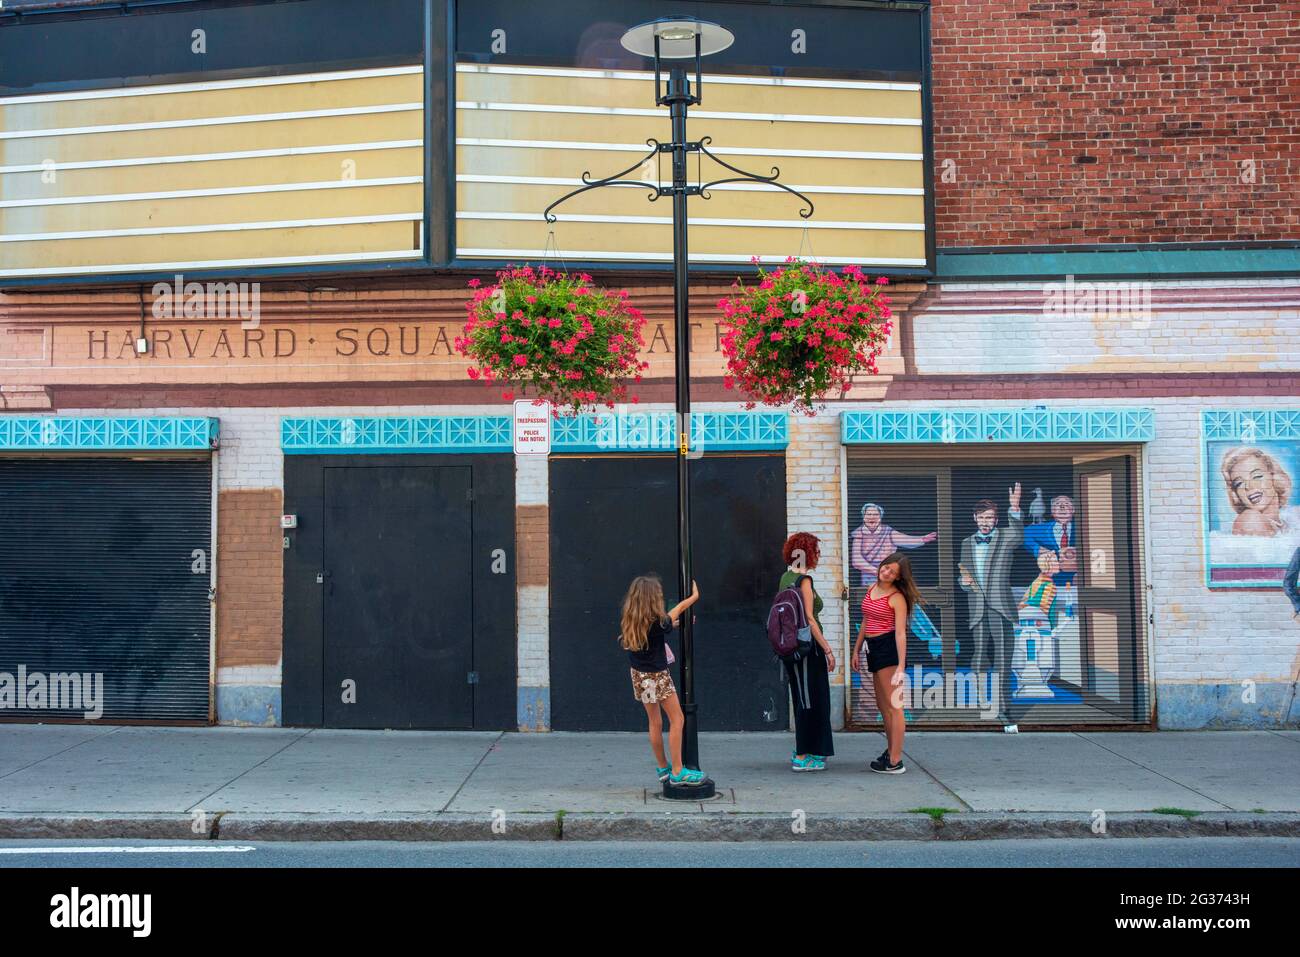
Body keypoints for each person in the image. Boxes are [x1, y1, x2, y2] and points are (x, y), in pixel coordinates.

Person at [619, 574, 705, 787]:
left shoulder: (631, 620)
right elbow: (672, 614)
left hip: (641, 677)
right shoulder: (659, 622)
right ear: (651, 599)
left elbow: (661, 627)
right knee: (678, 720)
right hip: (658, 677)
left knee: (655, 722)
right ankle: (678, 771)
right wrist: (694, 597)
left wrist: (673, 624)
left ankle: (663, 767)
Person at [958, 483, 1024, 727]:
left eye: (990, 518)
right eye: (981, 517)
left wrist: (1014, 508)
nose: (985, 522)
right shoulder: (967, 543)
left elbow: (1018, 534)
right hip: (977, 609)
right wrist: (963, 582)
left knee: (1003, 660)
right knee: (978, 659)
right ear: (974, 518)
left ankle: (1004, 709)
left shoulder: (1006, 537)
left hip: (1000, 608)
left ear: (996, 520)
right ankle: (985, 701)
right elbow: (964, 574)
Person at [852, 551, 918, 774]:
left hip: (888, 649)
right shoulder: (872, 588)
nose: (886, 571)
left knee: (894, 707)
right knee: (883, 706)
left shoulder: (897, 598)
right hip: (873, 648)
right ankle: (890, 751)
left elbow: (900, 634)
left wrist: (900, 666)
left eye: (892, 572)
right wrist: (856, 649)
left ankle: (895, 760)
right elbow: (866, 620)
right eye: (886, 566)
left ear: (898, 577)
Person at [779, 532, 836, 771]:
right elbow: (810, 619)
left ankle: (805, 749)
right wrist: (828, 649)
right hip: (807, 649)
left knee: (804, 697)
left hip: (793, 649)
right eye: (817, 551)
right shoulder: (804, 581)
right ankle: (804, 755)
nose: (819, 556)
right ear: (807, 553)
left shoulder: (785, 577)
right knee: (811, 699)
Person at [850, 503, 937, 587]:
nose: (872, 517)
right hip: (869, 578)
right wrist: (877, 571)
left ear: (880, 517)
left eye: (875, 514)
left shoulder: (888, 532)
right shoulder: (858, 534)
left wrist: (922, 539)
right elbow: (856, 561)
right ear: (864, 517)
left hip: (889, 575)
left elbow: (906, 540)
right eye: (868, 514)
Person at [1220, 447, 1299, 537]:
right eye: (1239, 483)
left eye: (1257, 476)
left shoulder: (1292, 517)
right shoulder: (1250, 519)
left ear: (1273, 475)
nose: (1249, 487)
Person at [1022, 494, 1078, 587]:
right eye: (1057, 504)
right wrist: (1037, 549)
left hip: (1076, 583)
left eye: (1066, 504)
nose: (1062, 507)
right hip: (1049, 584)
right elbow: (1022, 534)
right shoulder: (1041, 529)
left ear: (1073, 510)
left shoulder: (1083, 529)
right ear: (1052, 511)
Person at [1019, 549, 1061, 631]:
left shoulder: (1037, 580)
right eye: (1055, 562)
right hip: (1041, 626)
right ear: (1049, 565)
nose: (1058, 563)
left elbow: (1023, 603)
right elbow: (1045, 610)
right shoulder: (1049, 585)